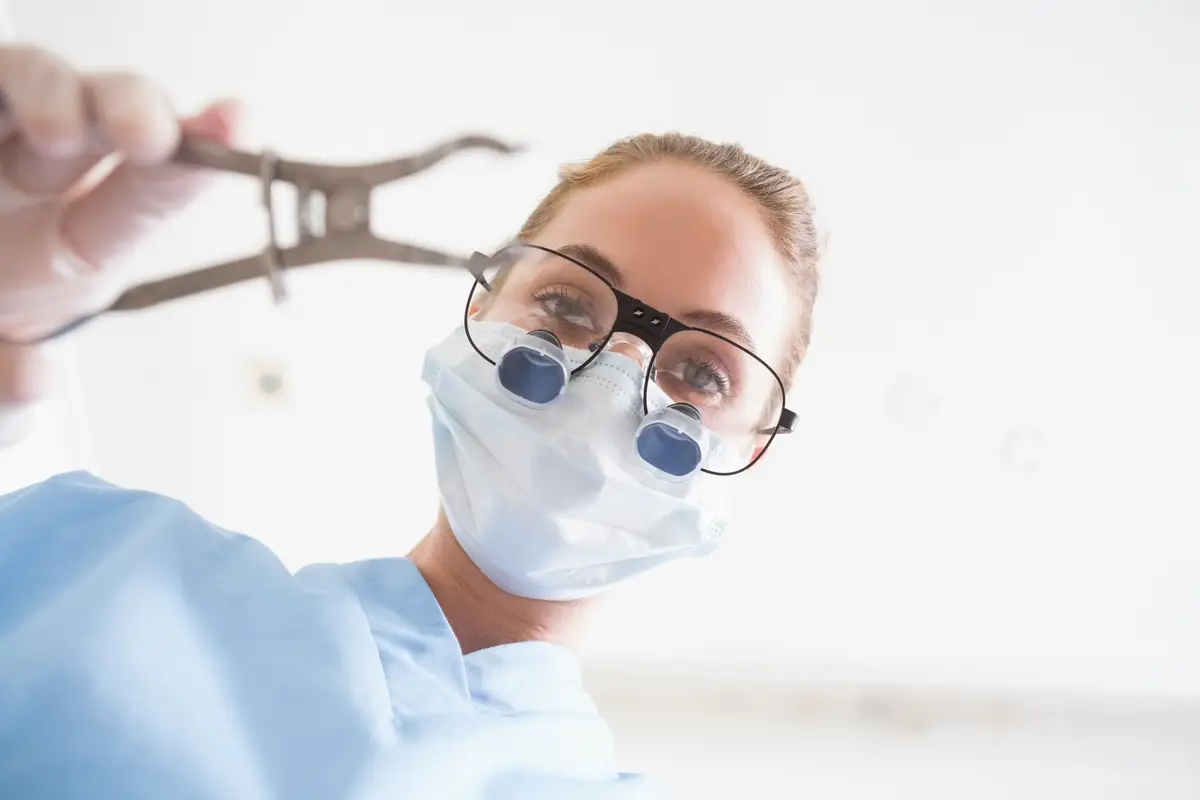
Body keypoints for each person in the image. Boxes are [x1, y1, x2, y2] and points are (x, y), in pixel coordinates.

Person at [0, 43, 820, 800]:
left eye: (702, 370)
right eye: (568, 303)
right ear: (481, 306)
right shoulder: (93, 566)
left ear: (752, 448)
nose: (616, 374)